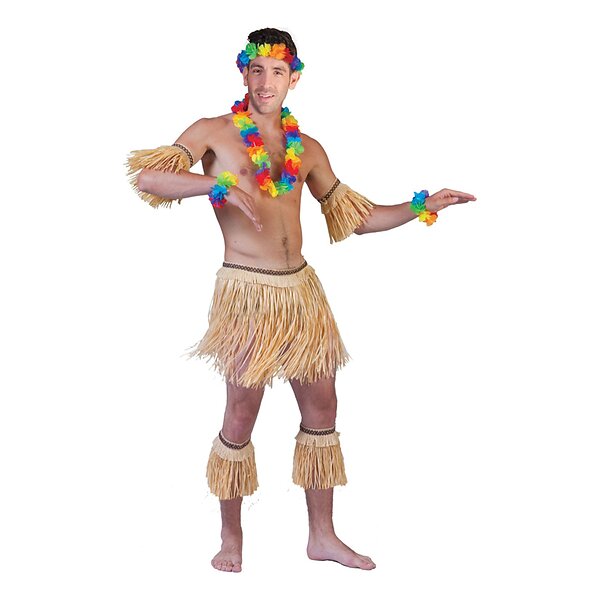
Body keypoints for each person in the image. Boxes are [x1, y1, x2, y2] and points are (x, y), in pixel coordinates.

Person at [127, 27, 476, 573]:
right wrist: (217, 186)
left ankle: (322, 536)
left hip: (302, 294)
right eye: (257, 70)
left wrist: (421, 206)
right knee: (241, 412)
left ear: (294, 78)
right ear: (243, 72)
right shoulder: (213, 132)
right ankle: (231, 537)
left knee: (323, 410)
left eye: (278, 72)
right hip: (247, 292)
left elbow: (357, 218)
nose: (266, 82)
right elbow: (149, 179)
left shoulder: (307, 149)